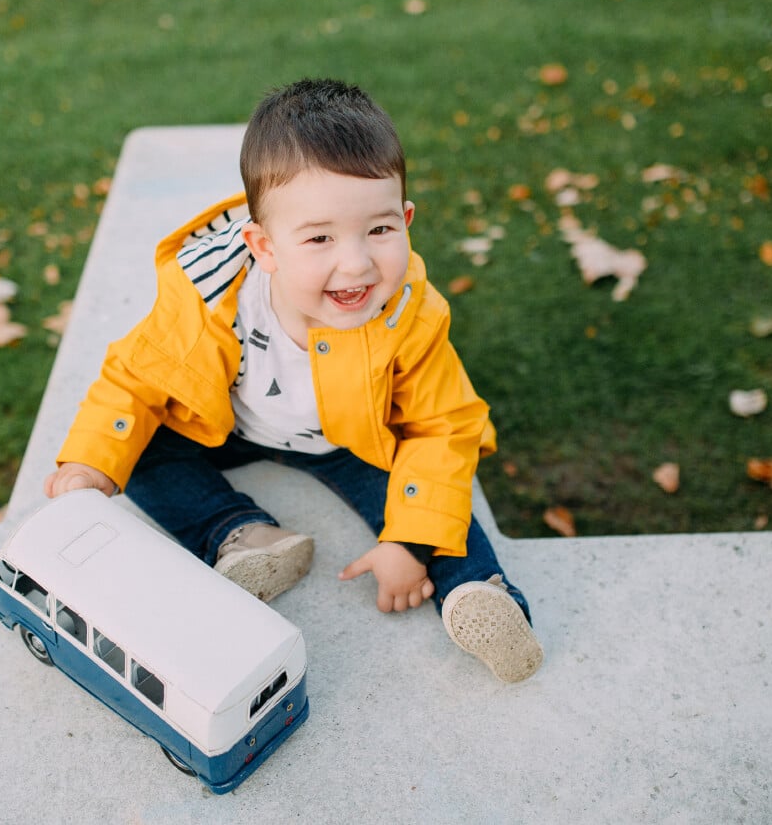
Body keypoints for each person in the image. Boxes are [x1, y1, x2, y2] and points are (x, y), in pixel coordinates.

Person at [44, 78, 543, 683]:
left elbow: (444, 426)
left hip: (353, 438)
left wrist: (408, 544)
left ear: (406, 219)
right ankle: (240, 534)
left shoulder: (409, 311)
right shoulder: (208, 295)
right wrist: (91, 463)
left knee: (427, 488)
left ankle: (479, 597)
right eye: (320, 238)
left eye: (380, 230)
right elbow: (135, 379)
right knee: (139, 453)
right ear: (264, 246)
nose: (356, 262)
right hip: (234, 424)